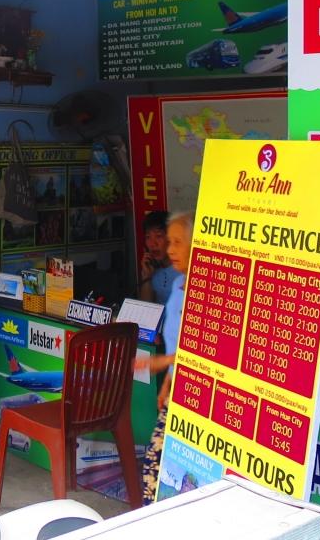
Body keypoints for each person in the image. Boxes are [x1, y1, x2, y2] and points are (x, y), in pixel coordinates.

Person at [139, 210, 194, 502]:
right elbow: (175, 341)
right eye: (168, 241)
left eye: (177, 242)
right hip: (176, 389)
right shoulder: (177, 284)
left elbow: (202, 349)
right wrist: (167, 383)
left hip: (196, 396)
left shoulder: (203, 290)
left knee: (160, 469)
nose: (170, 249)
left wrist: (162, 362)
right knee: (159, 470)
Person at [138, 210, 180, 303]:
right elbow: (146, 306)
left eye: (158, 236)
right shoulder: (153, 270)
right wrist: (146, 277)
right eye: (148, 237)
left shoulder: (183, 270)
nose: (152, 244)